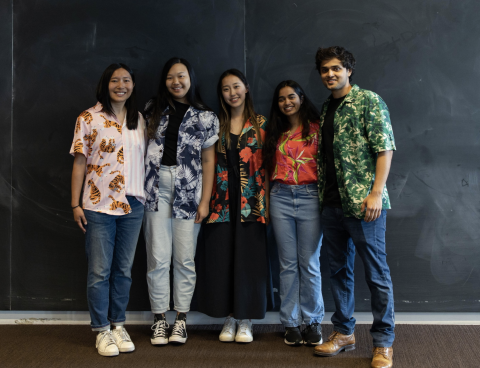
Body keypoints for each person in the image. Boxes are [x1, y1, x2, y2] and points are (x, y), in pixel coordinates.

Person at [312, 46, 396, 368]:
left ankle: (383, 342)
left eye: (335, 68)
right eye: (324, 70)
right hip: (332, 205)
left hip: (365, 206)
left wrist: (376, 192)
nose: (330, 74)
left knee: (376, 274)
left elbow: (385, 149)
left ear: (348, 70)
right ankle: (344, 332)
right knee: (338, 272)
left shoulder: (368, 101)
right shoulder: (325, 108)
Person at [70, 63, 146, 357]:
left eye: (126, 80)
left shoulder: (139, 119)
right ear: (106, 84)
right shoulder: (88, 118)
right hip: (98, 204)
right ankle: (101, 330)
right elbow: (79, 163)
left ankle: (118, 325)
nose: (121, 85)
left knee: (123, 271)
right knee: (99, 271)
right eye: (115, 80)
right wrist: (75, 203)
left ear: (133, 85)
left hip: (133, 204)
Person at [143, 57, 219, 345]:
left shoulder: (206, 116)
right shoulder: (152, 109)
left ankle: (181, 320)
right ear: (164, 81)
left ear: (191, 78)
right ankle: (159, 319)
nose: (176, 82)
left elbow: (209, 160)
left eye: (182, 76)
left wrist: (205, 201)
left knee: (185, 258)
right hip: (155, 188)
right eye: (171, 77)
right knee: (158, 257)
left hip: (189, 190)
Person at [196, 69, 271, 343]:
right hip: (221, 202)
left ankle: (246, 319)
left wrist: (268, 205)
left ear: (246, 88)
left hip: (252, 203)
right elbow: (208, 163)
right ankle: (229, 317)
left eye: (236, 86)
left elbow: (268, 167)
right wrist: (204, 202)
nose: (232, 93)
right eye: (226, 89)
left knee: (249, 262)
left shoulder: (262, 123)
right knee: (222, 259)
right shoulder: (216, 124)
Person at [264, 80, 324, 346]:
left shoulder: (317, 129)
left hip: (311, 197)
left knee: (309, 263)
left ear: (301, 97)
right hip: (280, 197)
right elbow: (266, 169)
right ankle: (290, 323)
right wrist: (266, 201)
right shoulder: (275, 131)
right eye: (281, 99)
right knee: (287, 265)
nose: (286, 102)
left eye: (291, 97)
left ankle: (312, 321)